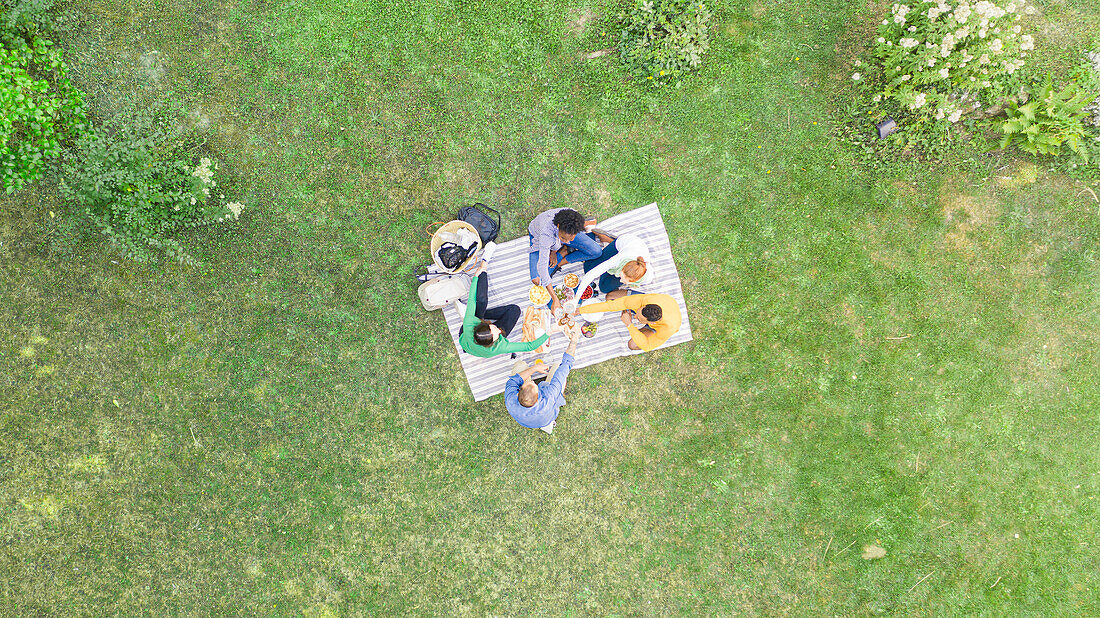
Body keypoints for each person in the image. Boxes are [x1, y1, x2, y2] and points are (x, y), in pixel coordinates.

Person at [458, 261, 548, 358]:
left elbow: (472, 299)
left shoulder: (468, 323)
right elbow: (529, 346)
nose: (497, 329)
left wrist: (475, 277)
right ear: (492, 343)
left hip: (466, 337)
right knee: (515, 310)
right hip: (473, 345)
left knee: (481, 301)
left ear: (480, 326)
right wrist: (549, 332)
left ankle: (483, 269)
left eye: (491, 327)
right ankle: (481, 313)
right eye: (495, 334)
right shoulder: (498, 347)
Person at [503, 324, 581, 434]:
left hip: (523, 419)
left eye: (530, 383)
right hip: (546, 416)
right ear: (539, 397)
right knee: (558, 366)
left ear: (518, 392)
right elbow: (565, 367)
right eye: (534, 384)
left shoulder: (511, 399)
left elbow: (514, 380)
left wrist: (534, 368)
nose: (533, 381)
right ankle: (548, 424)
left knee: (520, 365)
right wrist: (574, 341)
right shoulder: (549, 396)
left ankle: (544, 423)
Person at [528, 207, 602, 313]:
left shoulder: (572, 221)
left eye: (571, 239)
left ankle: (562, 259)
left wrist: (557, 248)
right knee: (537, 279)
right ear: (558, 226)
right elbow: (542, 266)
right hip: (539, 238)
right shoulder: (546, 234)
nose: (567, 241)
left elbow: (567, 237)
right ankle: (562, 251)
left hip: (556, 240)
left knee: (596, 251)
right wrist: (555, 298)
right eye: (564, 239)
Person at [574, 293, 681, 352]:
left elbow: (647, 346)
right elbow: (610, 306)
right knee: (610, 297)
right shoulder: (643, 300)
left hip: (666, 323)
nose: (634, 316)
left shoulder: (667, 329)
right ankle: (639, 319)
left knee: (632, 345)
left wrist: (629, 324)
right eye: (637, 312)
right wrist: (581, 310)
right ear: (644, 306)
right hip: (660, 301)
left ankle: (643, 329)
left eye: (638, 319)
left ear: (651, 323)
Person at [573, 231, 655, 299]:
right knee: (588, 268)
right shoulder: (620, 259)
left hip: (632, 252)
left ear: (635, 280)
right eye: (621, 276)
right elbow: (591, 274)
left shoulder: (647, 278)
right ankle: (610, 240)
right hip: (621, 245)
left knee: (604, 288)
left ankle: (606, 266)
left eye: (624, 281)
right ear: (622, 268)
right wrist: (576, 299)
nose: (620, 281)